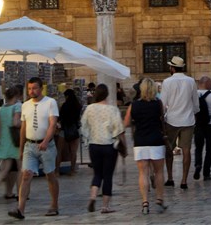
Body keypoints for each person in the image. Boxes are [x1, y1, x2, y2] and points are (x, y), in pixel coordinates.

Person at [8, 76, 60, 220]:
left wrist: (46, 141)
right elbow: (23, 128)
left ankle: (54, 205)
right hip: (29, 146)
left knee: (50, 175)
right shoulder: (25, 105)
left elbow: (52, 124)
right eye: (29, 88)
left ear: (41, 88)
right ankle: (20, 209)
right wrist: (20, 148)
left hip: (46, 146)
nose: (32, 91)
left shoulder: (50, 102)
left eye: (34, 88)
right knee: (26, 175)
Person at [124, 77, 168, 215]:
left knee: (143, 173)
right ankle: (159, 199)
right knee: (159, 172)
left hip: (140, 141)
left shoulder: (134, 105)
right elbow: (163, 119)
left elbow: (126, 123)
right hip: (156, 140)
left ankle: (145, 202)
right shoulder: (158, 104)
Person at [81, 83, 125, 214]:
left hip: (94, 145)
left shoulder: (89, 109)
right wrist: (123, 145)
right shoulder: (112, 110)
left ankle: (93, 196)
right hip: (109, 145)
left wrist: (88, 139)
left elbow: (83, 126)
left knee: (97, 173)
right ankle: (105, 206)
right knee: (107, 175)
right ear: (107, 94)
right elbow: (119, 129)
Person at [160, 56, 199, 189]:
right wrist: (193, 113)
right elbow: (196, 103)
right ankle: (184, 180)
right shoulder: (191, 81)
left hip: (172, 120)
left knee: (169, 149)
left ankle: (170, 177)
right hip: (188, 120)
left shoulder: (167, 82)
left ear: (172, 68)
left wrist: (162, 117)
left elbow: (163, 103)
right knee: (187, 150)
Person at [0, 87, 22, 202]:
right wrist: (24, 123)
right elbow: (16, 122)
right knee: (21, 168)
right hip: (15, 141)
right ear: (17, 96)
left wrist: (2, 140)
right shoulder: (17, 106)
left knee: (4, 169)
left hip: (5, 141)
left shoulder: (2, 109)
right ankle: (20, 193)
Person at [193, 76, 211, 181]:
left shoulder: (194, 94)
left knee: (198, 147)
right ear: (205, 83)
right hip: (210, 125)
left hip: (198, 125)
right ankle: (206, 173)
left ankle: (198, 164)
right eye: (210, 83)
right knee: (209, 149)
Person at [56, 89, 82, 175]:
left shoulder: (64, 106)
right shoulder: (78, 106)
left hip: (64, 130)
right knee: (73, 152)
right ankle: (72, 170)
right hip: (74, 130)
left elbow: (60, 117)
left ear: (66, 96)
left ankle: (57, 171)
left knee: (59, 151)